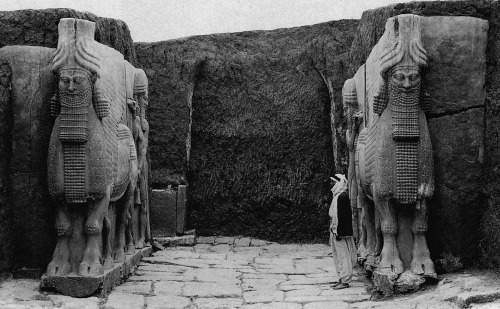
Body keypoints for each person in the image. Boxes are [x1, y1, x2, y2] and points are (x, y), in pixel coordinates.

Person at [329, 174, 357, 289]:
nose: (331, 184)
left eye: (333, 182)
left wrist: (340, 233)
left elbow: (345, 218)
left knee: (344, 256)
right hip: (335, 231)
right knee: (338, 256)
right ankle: (341, 277)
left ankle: (345, 281)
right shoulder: (337, 196)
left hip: (340, 232)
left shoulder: (343, 197)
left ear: (339, 183)